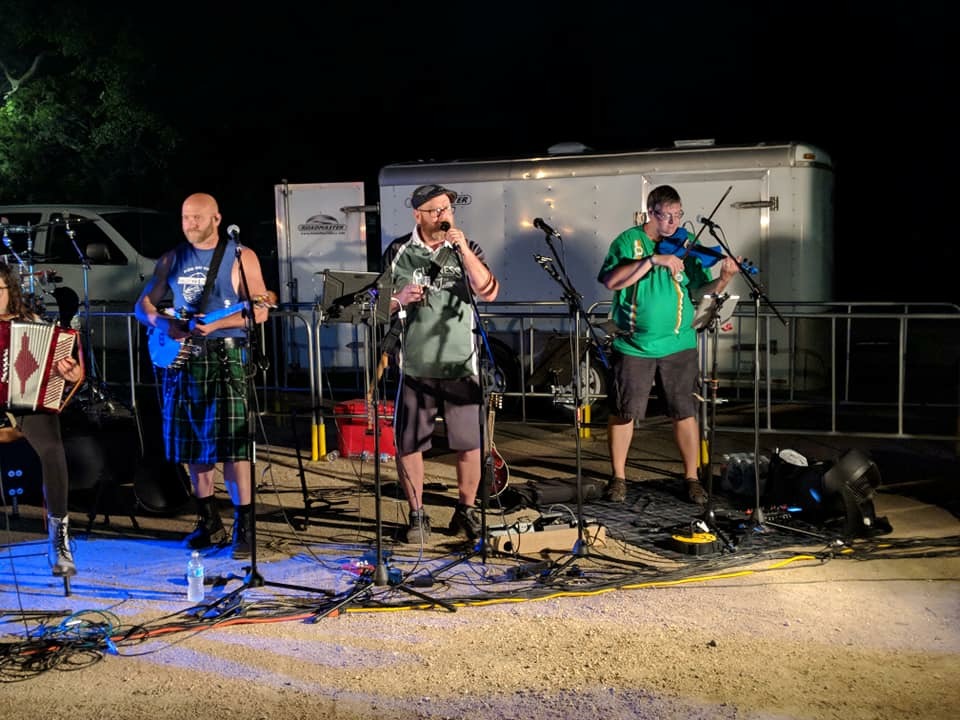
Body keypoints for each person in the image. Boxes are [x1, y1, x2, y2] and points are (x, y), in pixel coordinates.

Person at [134, 192, 271, 559]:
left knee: (234, 447)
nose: (190, 224)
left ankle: (244, 526)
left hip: (225, 357)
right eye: (185, 217)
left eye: (197, 217)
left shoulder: (240, 256)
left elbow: (259, 311)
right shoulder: (172, 258)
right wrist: (164, 323)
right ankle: (209, 522)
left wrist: (217, 325)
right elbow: (142, 305)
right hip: (185, 361)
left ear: (216, 219)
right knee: (193, 445)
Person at [597, 185, 738, 505]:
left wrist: (724, 279)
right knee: (624, 412)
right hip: (635, 345)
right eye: (667, 216)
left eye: (678, 215)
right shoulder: (629, 242)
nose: (674, 222)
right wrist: (653, 260)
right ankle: (618, 477)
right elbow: (611, 280)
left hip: (679, 343)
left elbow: (700, 291)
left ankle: (692, 478)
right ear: (651, 212)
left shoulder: (685, 246)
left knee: (684, 411)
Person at [382, 184, 500, 544]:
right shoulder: (399, 250)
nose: (444, 215)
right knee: (410, 444)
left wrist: (463, 250)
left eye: (447, 208)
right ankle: (418, 515)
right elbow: (377, 303)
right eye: (435, 210)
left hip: (461, 364)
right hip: (415, 365)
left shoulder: (466, 248)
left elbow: (490, 291)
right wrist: (398, 298)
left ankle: (465, 511)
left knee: (469, 444)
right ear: (418, 215)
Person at [0, 263, 84, 577]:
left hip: (25, 403)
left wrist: (71, 374)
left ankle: (59, 539)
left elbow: (61, 373)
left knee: (52, 450)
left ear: (10, 290)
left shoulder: (30, 322)